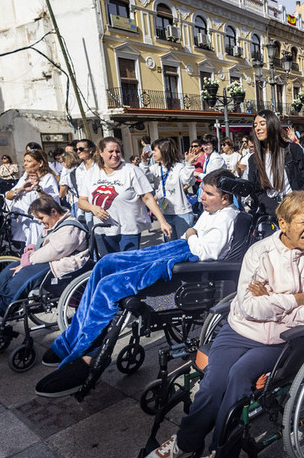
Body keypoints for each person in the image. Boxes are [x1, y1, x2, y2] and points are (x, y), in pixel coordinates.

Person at [140, 191, 304, 458]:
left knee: (239, 376)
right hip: (239, 330)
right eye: (302, 221)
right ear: (283, 223)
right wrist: (296, 298)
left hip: (280, 341)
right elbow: (249, 307)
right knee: (214, 381)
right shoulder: (259, 252)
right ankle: (185, 442)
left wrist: (271, 300)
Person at [36, 169, 242, 395]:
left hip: (185, 270)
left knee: (109, 287)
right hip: (176, 250)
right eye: (202, 191)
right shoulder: (212, 212)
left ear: (225, 198)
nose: (201, 197)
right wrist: (191, 233)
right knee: (106, 263)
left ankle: (87, 357)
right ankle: (70, 341)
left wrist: (191, 231)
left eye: (208, 194)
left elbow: (207, 252)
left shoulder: (227, 217)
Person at [0, 194, 90, 328]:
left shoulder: (70, 229)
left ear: (53, 211)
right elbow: (49, 249)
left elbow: (54, 251)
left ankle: (0, 313)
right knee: (8, 271)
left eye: (41, 218)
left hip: (64, 263)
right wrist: (33, 251)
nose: (39, 221)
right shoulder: (57, 223)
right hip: (51, 259)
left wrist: (27, 261)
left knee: (23, 276)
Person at [78, 137, 171, 253]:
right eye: (110, 152)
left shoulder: (131, 170)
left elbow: (147, 197)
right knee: (110, 265)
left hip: (128, 230)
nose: (115, 155)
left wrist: (162, 222)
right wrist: (92, 208)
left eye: (117, 151)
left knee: (128, 265)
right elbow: (82, 201)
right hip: (103, 230)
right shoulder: (92, 173)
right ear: (101, 152)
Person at [245, 110, 304, 214]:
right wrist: (277, 210)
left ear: (272, 125)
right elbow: (256, 192)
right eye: (255, 125)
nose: (258, 128)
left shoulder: (292, 150)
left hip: (296, 208)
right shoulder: (253, 159)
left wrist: (300, 203)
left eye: (262, 124)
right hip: (270, 212)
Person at [142, 138, 196, 241]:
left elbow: (188, 181)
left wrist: (188, 164)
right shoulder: (155, 168)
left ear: (164, 150)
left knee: (182, 244)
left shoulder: (179, 167)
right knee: (170, 245)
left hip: (181, 212)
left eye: (155, 150)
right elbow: (145, 179)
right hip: (165, 213)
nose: (152, 153)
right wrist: (144, 163)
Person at [5, 151, 60, 247]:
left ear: (40, 163)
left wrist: (38, 188)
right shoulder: (24, 178)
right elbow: (8, 196)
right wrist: (21, 189)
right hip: (22, 223)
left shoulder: (48, 178)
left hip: (37, 224)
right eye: (24, 161)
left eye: (28, 161)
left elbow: (52, 202)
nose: (25, 164)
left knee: (36, 250)